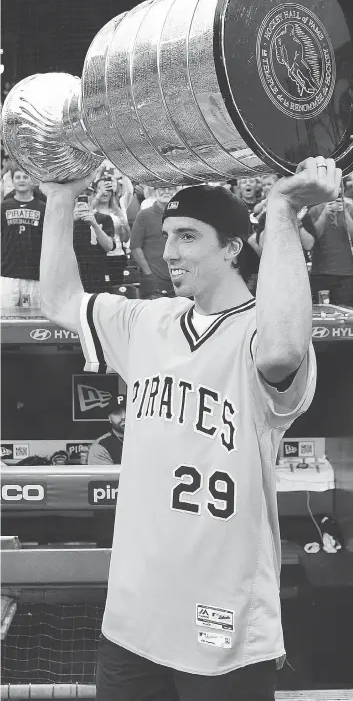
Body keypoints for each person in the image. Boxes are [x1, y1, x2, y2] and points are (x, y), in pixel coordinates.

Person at [40, 156, 341, 701]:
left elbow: (283, 349)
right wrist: (60, 198)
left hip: (223, 623)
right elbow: (59, 301)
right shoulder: (147, 322)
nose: (169, 251)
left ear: (232, 248)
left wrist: (281, 208)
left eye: (188, 237)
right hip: (135, 616)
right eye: (169, 236)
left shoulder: (260, 330)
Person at [1, 167, 46, 308]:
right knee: (5, 319)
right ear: (12, 181)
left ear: (33, 181)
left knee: (33, 320)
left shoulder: (43, 208)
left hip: (34, 274)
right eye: (18, 177)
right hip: (8, 273)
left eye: (25, 177)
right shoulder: (3, 207)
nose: (21, 180)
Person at [130, 186, 182, 298]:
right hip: (154, 280)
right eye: (162, 188)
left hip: (180, 277)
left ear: (175, 191)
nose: (166, 191)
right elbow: (135, 247)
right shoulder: (144, 215)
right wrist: (148, 274)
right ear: (154, 191)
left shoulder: (183, 215)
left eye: (170, 188)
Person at [308, 194, 353, 307]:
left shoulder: (351, 207)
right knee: (323, 312)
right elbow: (312, 239)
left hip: (347, 272)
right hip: (321, 271)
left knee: (345, 314)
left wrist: (346, 214)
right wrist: (324, 214)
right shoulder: (314, 210)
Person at [91, 173, 131, 286]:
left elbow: (125, 238)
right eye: (100, 188)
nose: (104, 192)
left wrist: (125, 229)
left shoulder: (118, 212)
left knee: (116, 290)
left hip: (117, 256)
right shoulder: (91, 210)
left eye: (108, 188)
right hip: (97, 258)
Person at [73, 194, 117, 294]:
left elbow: (109, 246)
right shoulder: (67, 220)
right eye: (80, 195)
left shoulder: (104, 218)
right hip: (75, 274)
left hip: (99, 272)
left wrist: (95, 224)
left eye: (88, 194)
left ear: (94, 197)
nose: (84, 199)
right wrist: (71, 221)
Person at [88, 397, 126, 465]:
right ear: (109, 418)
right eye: (117, 412)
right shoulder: (101, 446)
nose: (124, 416)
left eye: (127, 411)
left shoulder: (147, 439)